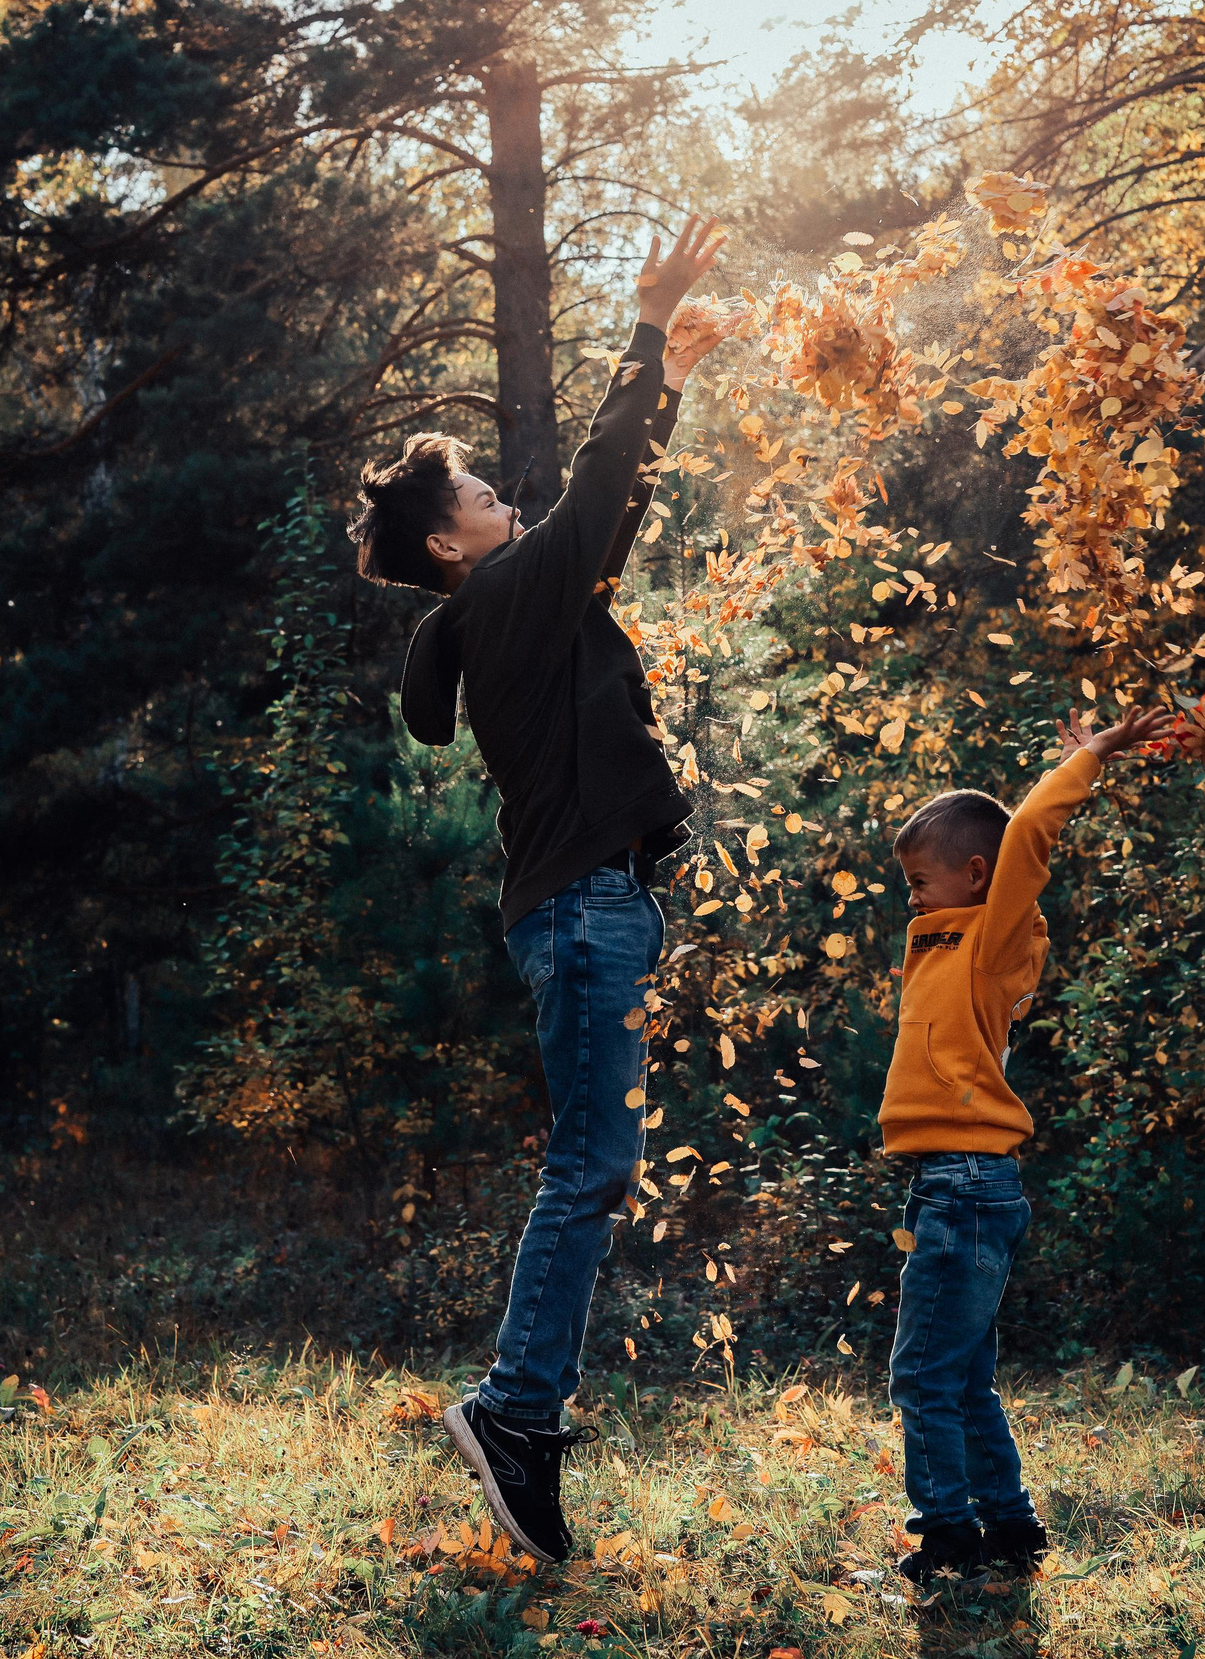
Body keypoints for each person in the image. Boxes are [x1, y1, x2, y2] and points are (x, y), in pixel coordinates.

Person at [348, 214, 730, 1565]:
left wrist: (668, 375)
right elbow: (597, 489)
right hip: (580, 907)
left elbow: (606, 504)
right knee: (590, 1165)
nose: (510, 506)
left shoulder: (505, 600)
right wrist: (644, 334)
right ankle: (515, 1411)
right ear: (454, 545)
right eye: (488, 500)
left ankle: (520, 1414)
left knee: (594, 1164)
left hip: (587, 905)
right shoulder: (505, 593)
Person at [880, 701, 1180, 1589]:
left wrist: (1084, 762)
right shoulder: (945, 942)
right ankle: (1009, 1525)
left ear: (974, 877)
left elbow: (1025, 842)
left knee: (920, 1377)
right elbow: (987, 856)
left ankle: (947, 1536)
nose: (912, 899)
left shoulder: (989, 942)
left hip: (966, 1186)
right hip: (955, 1183)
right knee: (962, 1374)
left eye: (920, 883)